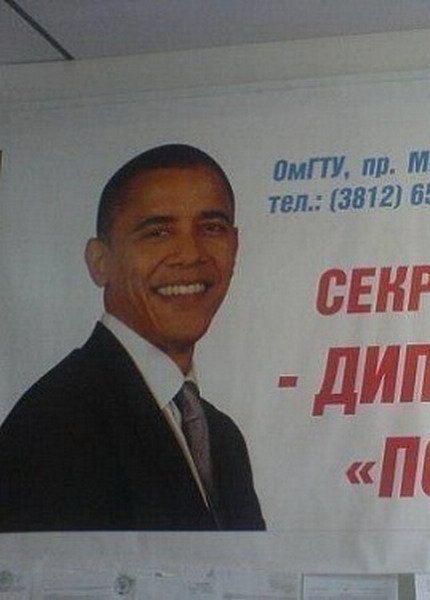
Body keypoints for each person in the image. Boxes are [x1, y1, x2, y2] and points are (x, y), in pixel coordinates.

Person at [0, 144, 265, 531]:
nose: (191, 254)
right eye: (158, 232)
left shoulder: (222, 438)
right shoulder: (56, 425)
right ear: (100, 262)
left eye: (211, 228)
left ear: (235, 246)